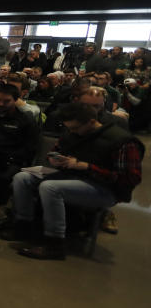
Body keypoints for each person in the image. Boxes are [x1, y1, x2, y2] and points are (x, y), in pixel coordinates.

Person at [10, 103, 143, 259]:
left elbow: (130, 178)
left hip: (104, 187)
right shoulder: (72, 133)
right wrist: (54, 158)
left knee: (50, 187)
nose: (72, 131)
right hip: (69, 174)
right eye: (69, 128)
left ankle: (55, 244)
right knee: (22, 177)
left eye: (75, 128)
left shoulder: (123, 141)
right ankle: (23, 226)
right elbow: (56, 151)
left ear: (92, 122)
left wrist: (86, 167)